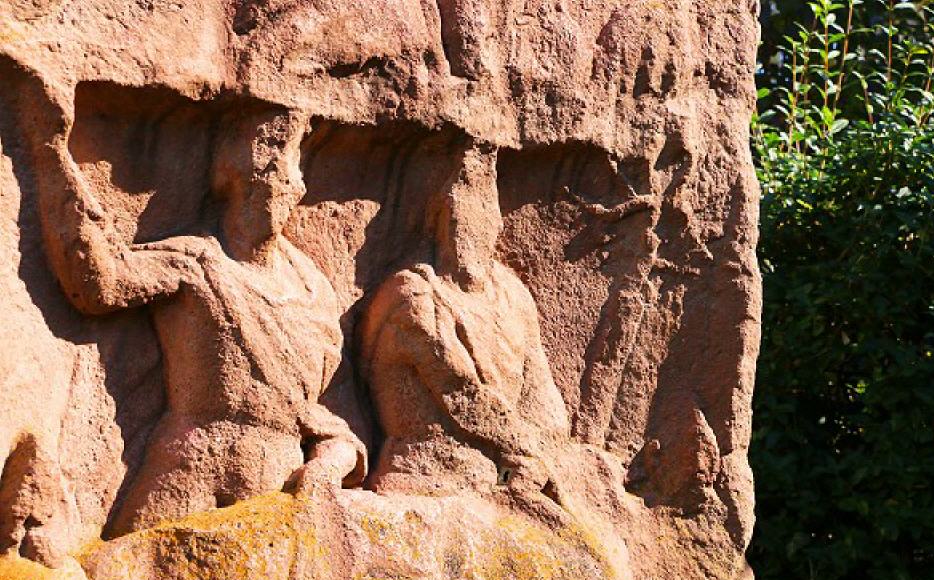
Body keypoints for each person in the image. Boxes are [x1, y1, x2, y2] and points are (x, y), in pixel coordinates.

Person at [36, 104, 366, 537]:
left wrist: (328, 465)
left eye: (284, 167)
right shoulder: (194, 260)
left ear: (299, 185)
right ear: (228, 176)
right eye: (260, 168)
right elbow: (104, 285)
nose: (274, 181)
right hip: (190, 463)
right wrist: (51, 158)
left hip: (276, 477)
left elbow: (336, 421)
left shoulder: (315, 293)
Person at [359, 142, 568, 515]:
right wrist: (528, 452)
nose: (468, 226)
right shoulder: (413, 294)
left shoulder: (513, 296)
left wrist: (539, 455)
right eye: (457, 212)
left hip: (496, 478)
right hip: (422, 480)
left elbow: (544, 401)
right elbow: (461, 393)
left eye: (482, 211)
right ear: (438, 219)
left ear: (497, 221)